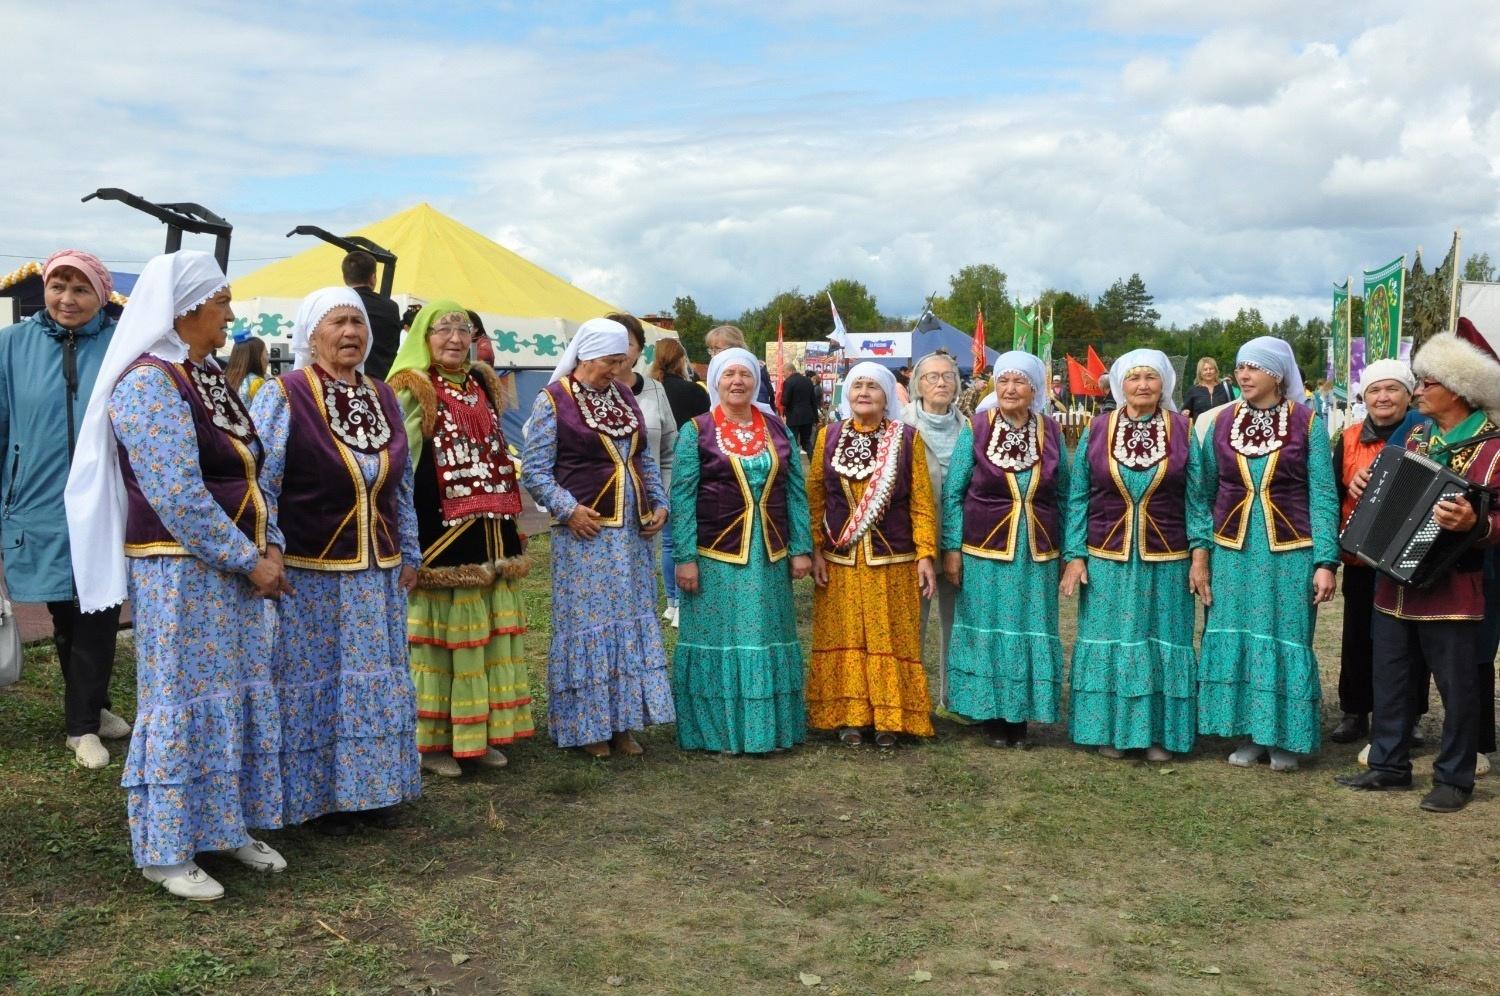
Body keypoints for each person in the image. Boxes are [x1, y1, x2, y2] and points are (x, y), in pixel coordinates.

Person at [65, 250, 290, 900]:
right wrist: (252, 560)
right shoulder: (147, 383)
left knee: (236, 691)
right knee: (183, 701)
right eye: (222, 302)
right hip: (180, 568)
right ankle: (164, 850)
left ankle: (225, 825)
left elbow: (251, 469)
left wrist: (268, 547)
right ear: (186, 308)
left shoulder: (208, 377)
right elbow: (179, 494)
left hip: (236, 567)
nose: (229, 313)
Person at [251, 287, 422, 834]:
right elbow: (262, 485)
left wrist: (411, 552)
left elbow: (402, 486)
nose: (351, 333)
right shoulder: (285, 394)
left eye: (358, 324)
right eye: (338, 323)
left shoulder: (383, 396)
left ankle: (371, 791)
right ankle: (312, 798)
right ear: (311, 334)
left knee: (372, 678)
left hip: (379, 571)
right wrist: (269, 550)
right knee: (315, 682)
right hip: (311, 567)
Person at [1338, 319, 1500, 811]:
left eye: (1428, 382)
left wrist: (1476, 521)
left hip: (1454, 586)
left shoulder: (1494, 448)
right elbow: (1388, 492)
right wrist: (1364, 484)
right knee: (1390, 674)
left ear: (1459, 389)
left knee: (1458, 683)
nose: (1419, 389)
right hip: (1394, 582)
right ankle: (1389, 765)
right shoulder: (1415, 439)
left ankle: (1455, 777)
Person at [386, 301, 534, 777]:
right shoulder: (413, 388)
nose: (454, 338)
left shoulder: (482, 384)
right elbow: (401, 461)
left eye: (462, 330)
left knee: (484, 634)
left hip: (489, 529)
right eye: (443, 330)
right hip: (439, 529)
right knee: (440, 639)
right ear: (423, 338)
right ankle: (432, 743)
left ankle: (478, 732)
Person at [521, 318, 674, 757]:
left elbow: (643, 457)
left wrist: (659, 502)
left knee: (628, 622)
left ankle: (623, 723)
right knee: (590, 625)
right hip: (586, 533)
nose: (617, 369)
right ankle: (587, 726)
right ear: (586, 356)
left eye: (622, 361)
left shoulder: (623, 396)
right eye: (611, 361)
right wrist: (568, 510)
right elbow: (534, 470)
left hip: (632, 535)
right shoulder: (554, 401)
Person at [0, 249, 128, 769]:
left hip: (102, 499)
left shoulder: (122, 345)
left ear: (101, 294)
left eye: (80, 289)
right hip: (36, 497)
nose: (67, 299)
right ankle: (92, 705)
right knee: (62, 607)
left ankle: (82, 727)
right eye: (58, 287)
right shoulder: (10, 346)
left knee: (96, 607)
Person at [1196, 337, 1339, 772]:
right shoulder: (1221, 423)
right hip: (1232, 549)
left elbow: (1323, 494)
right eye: (1240, 367)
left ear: (1276, 375)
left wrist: (1325, 561)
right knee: (1236, 633)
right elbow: (1201, 492)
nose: (1243, 375)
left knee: (1284, 635)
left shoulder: (1307, 423)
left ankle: (1285, 738)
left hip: (1290, 549)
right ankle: (1252, 733)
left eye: (1254, 368)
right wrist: (1201, 552)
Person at [1061, 349, 1207, 761]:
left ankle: (1158, 734)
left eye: (1151, 377)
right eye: (1134, 377)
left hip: (1168, 555)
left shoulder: (1182, 430)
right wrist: (1075, 554)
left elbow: (1197, 500)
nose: (1142, 385)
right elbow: (1078, 497)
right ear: (1120, 384)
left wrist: (1199, 554)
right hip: (1107, 554)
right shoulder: (1098, 428)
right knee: (1112, 640)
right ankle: (1108, 729)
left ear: (1164, 384)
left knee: (1161, 640)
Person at [670, 347, 812, 754]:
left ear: (756, 381)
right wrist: (685, 557)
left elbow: (795, 492)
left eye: (745, 375)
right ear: (715, 380)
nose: (737, 382)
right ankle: (715, 732)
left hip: (767, 554)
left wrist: (800, 547)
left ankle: (766, 730)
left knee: (764, 635)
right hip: (714, 554)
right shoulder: (695, 430)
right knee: (718, 638)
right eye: (729, 374)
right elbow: (683, 496)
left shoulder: (775, 427)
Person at [807, 362, 937, 747]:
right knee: (846, 632)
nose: (864, 392)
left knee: (890, 635)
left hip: (892, 558)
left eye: (873, 387)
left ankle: (890, 719)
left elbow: (921, 502)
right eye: (857, 385)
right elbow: (815, 497)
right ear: (847, 394)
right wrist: (814, 548)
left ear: (887, 397)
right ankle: (848, 716)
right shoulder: (827, 437)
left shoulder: (907, 438)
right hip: (839, 559)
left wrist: (926, 553)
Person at [943, 352, 1067, 747]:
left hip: (1036, 551)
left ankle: (1019, 715)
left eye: (1019, 382)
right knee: (986, 627)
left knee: (1028, 627)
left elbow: (1065, 492)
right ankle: (990, 712)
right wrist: (952, 548)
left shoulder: (1051, 432)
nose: (1009, 389)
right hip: (983, 549)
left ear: (1035, 388)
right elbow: (953, 493)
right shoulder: (977, 429)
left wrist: (1068, 549)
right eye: (1003, 382)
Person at [1328, 360, 1427, 745]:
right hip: (1361, 556)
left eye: (1392, 389)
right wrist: (1349, 483)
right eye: (1375, 390)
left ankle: (1411, 713)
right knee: (1357, 636)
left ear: (1408, 394)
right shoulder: (1350, 437)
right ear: (1363, 396)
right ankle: (1355, 711)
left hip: (1409, 556)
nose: (1383, 397)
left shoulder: (1425, 433)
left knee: (1410, 639)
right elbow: (1330, 494)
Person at [901, 349, 965, 707]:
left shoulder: (970, 428)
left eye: (947, 376)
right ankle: (910, 704)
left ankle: (952, 700)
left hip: (960, 542)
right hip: (912, 543)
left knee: (956, 625)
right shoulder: (900, 426)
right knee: (912, 624)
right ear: (917, 385)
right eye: (932, 377)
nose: (941, 383)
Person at [611, 314, 680, 626]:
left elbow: (668, 451)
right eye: (610, 340)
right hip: (597, 511)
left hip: (645, 510)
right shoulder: (575, 393)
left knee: (640, 586)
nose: (619, 350)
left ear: (639, 350)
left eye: (627, 342)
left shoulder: (654, 390)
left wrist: (662, 499)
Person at [342, 251, 401, 380]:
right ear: (373, 277)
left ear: (345, 278)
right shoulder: (390, 307)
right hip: (383, 379)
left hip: (346, 378)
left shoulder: (338, 305)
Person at [704, 325, 773, 407]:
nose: (713, 355)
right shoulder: (716, 374)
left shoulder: (753, 377)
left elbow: (757, 410)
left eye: (717, 349)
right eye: (711, 349)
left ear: (735, 349)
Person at [781, 362, 820, 455]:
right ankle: (813, 464)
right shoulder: (808, 381)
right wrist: (816, 418)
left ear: (790, 371)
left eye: (784, 372)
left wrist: (781, 399)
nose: (783, 375)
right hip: (807, 417)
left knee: (792, 442)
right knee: (806, 442)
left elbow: (785, 401)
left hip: (793, 417)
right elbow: (813, 401)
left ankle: (794, 467)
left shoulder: (788, 382)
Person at [1182, 357, 1235, 422]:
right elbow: (1185, 411)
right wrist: (1185, 413)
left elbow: (1234, 408)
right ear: (1200, 373)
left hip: (1222, 428)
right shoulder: (1193, 390)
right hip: (1200, 430)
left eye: (1211, 369)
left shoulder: (1226, 387)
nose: (1208, 372)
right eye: (1205, 369)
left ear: (1215, 370)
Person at [225, 333, 269, 406]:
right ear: (257, 357)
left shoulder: (226, 379)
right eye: (266, 354)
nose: (268, 360)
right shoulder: (257, 382)